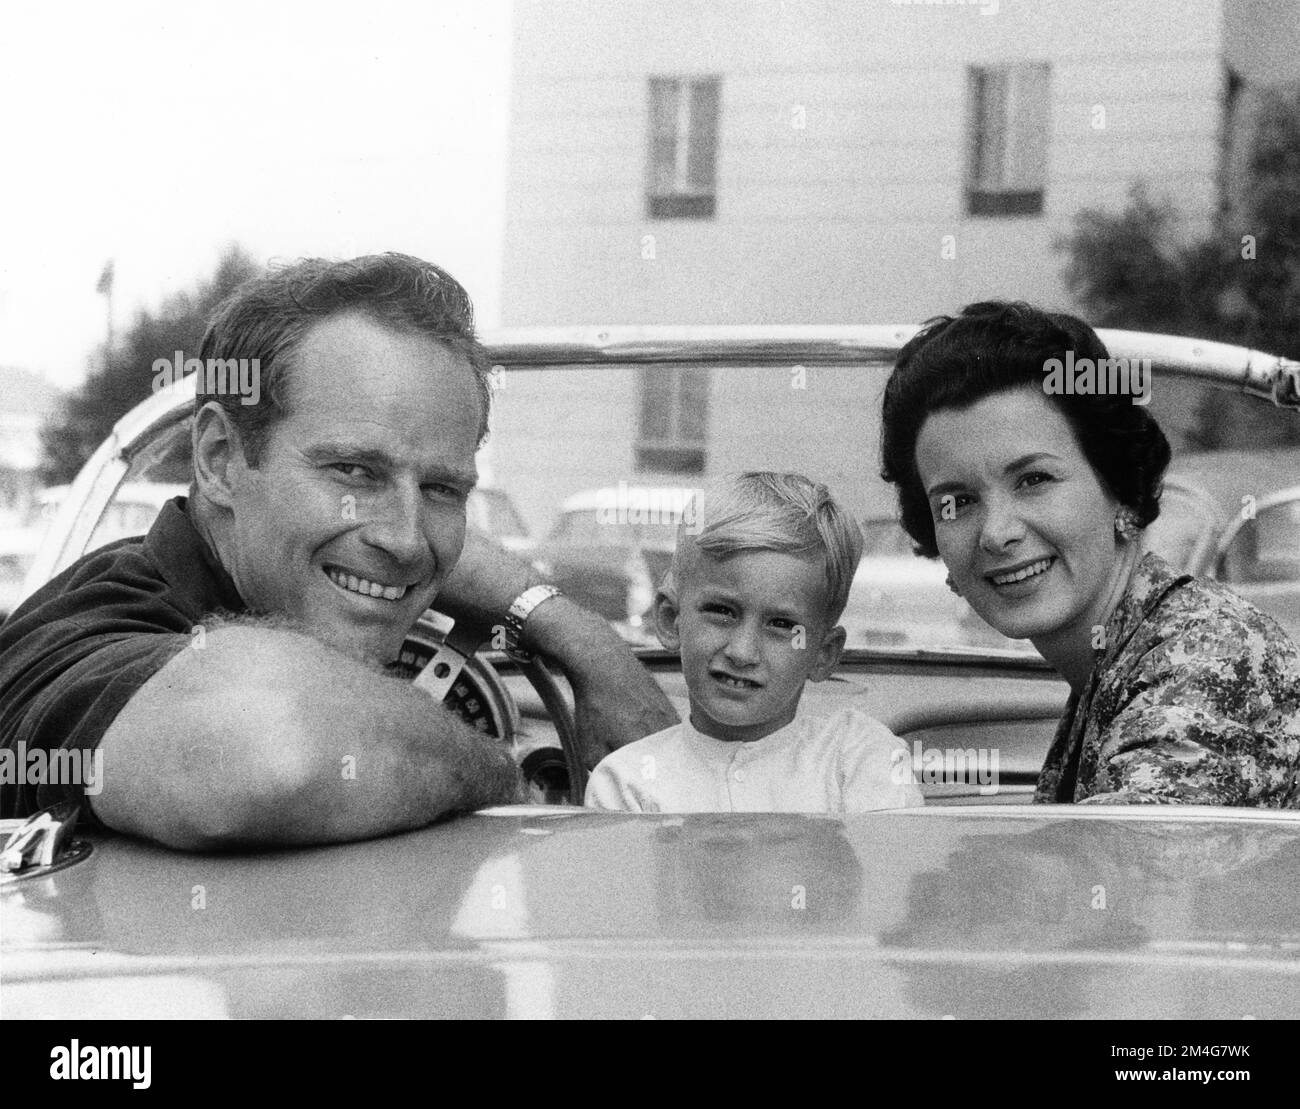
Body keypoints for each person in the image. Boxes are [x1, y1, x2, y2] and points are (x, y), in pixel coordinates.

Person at [0, 253, 677, 848]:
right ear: (219, 459)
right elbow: (266, 743)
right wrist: (499, 772)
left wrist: (581, 640)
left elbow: (399, 545)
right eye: (354, 472)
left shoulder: (275, 557)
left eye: (442, 487)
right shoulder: (75, 641)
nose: (406, 539)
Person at [879, 300, 1300, 807]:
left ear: (1118, 487)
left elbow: (1121, 866)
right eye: (959, 501)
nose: (996, 533)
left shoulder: (1208, 653)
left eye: (1034, 479)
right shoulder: (1116, 659)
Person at [584, 471, 922, 813]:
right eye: (721, 611)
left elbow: (886, 863)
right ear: (672, 620)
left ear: (823, 653)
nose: (742, 652)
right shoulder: (626, 781)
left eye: (781, 624)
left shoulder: (857, 758)